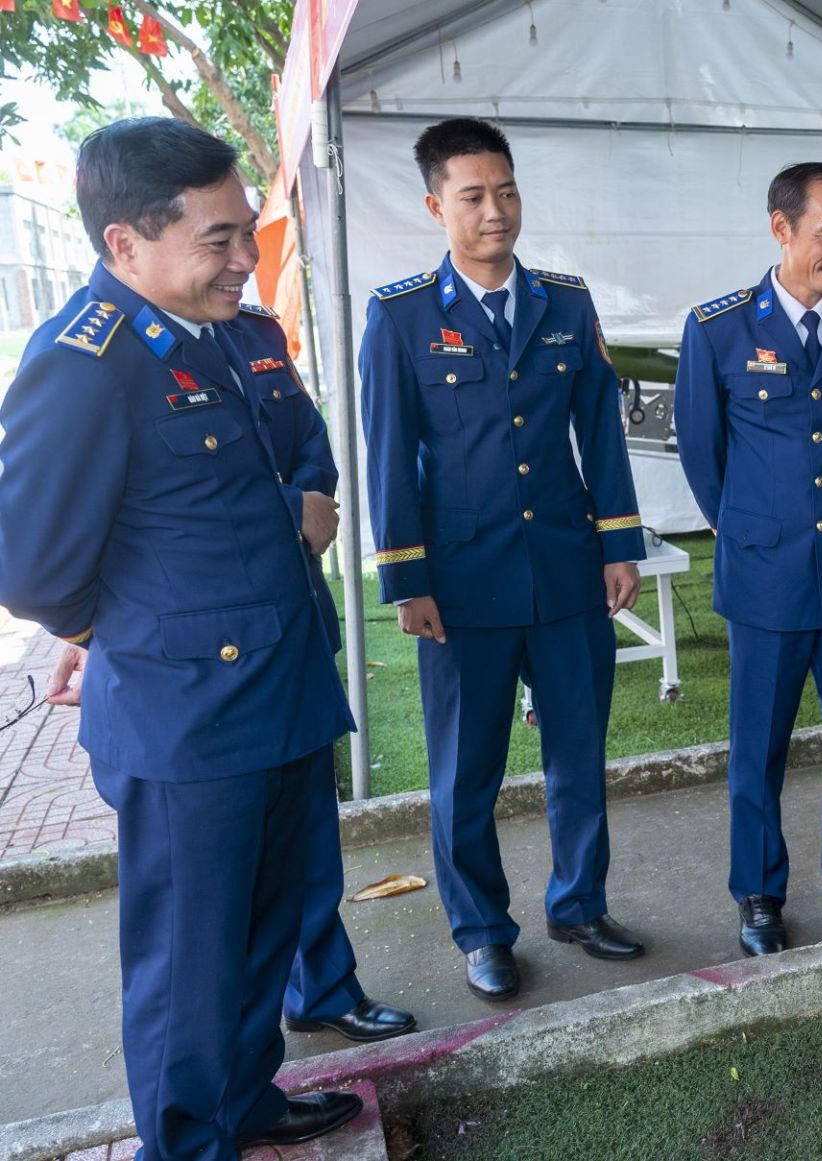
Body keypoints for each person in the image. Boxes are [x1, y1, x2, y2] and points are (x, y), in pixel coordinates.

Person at [0, 118, 362, 1159]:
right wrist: (120, 635)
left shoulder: (229, 335)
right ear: (126, 245)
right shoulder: (87, 362)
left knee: (264, 930)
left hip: (281, 688)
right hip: (188, 719)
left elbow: (283, 470)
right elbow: (30, 569)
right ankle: (185, 1141)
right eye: (220, 239)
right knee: (186, 962)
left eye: (246, 231)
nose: (249, 258)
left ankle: (243, 1101)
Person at [360, 117, 646, 1002]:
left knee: (577, 754)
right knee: (464, 770)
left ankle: (579, 903)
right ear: (435, 205)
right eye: (475, 196)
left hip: (563, 569)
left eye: (507, 190)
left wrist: (618, 543)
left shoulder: (566, 302)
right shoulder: (401, 314)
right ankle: (482, 930)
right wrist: (406, 578)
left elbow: (599, 430)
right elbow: (387, 451)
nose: (496, 211)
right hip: (461, 584)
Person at [673, 162, 822, 956]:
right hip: (764, 575)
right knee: (759, 745)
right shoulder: (719, 328)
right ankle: (760, 890)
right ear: (782, 228)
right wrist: (758, 529)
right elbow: (704, 460)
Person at [232, 313, 418, 1044]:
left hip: (296, 622)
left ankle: (323, 989)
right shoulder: (108, 350)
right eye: (222, 238)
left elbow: (310, 441)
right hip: (209, 663)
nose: (245, 257)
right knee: (229, 866)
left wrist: (310, 499)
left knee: (311, 832)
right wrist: (289, 510)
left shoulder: (254, 336)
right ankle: (234, 1062)